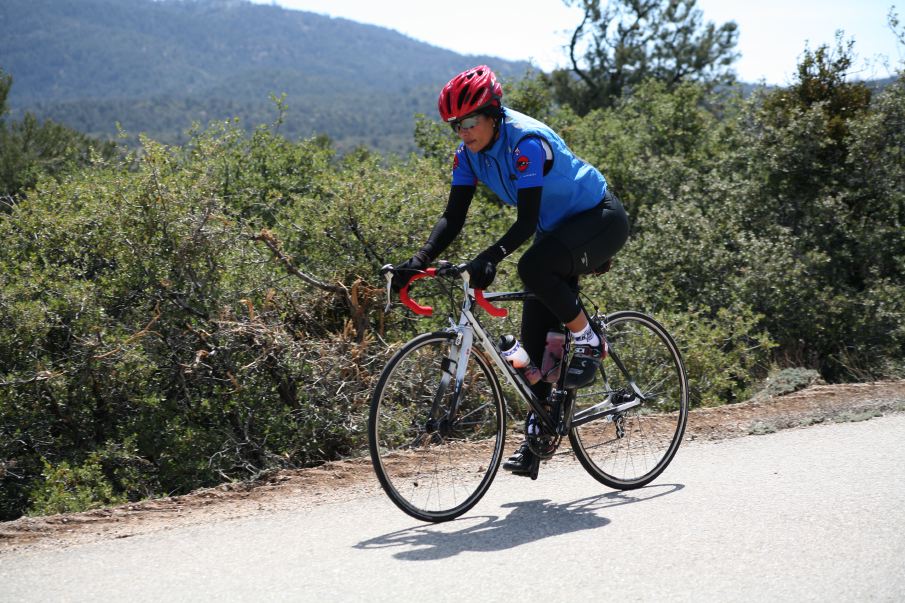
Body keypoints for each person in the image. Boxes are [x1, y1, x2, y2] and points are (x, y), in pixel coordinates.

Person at [391, 65, 629, 477]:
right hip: (557, 232)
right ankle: (542, 431)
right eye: (455, 125)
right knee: (533, 344)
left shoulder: (526, 143)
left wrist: (491, 256)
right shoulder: (467, 155)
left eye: (469, 121)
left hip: (599, 218)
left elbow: (524, 221)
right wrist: (418, 261)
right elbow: (453, 216)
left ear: (493, 113)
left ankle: (589, 340)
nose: (463, 132)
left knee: (532, 267)